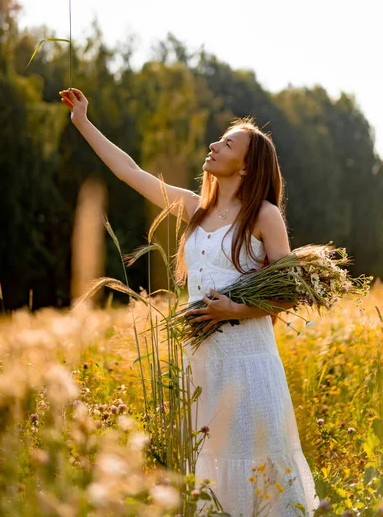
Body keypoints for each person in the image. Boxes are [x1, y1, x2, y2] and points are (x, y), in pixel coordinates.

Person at [59, 87, 320, 516]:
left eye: (227, 143)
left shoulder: (264, 216)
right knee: (213, 473)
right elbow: (129, 170)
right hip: (202, 361)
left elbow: (286, 293)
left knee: (258, 472)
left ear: (247, 163)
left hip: (249, 361)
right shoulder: (194, 208)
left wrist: (232, 310)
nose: (214, 146)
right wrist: (84, 122)